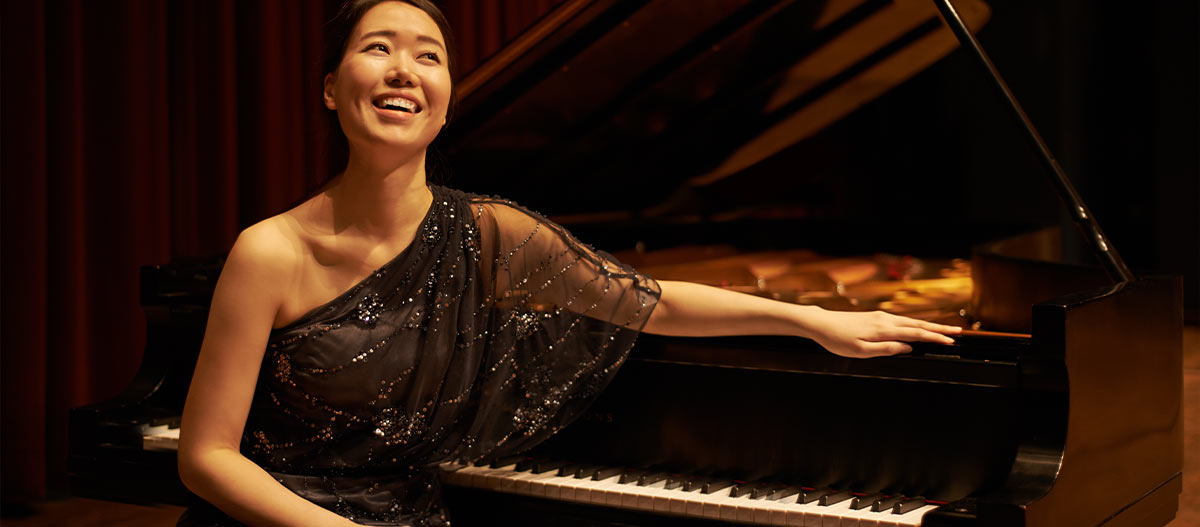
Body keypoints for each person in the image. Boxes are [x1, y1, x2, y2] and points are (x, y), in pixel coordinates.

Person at [175, 1, 961, 525]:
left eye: (429, 56)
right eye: (376, 49)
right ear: (328, 89)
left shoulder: (490, 233)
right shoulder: (270, 250)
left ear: (446, 101)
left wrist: (812, 319)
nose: (403, 70)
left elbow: (651, 302)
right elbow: (206, 456)